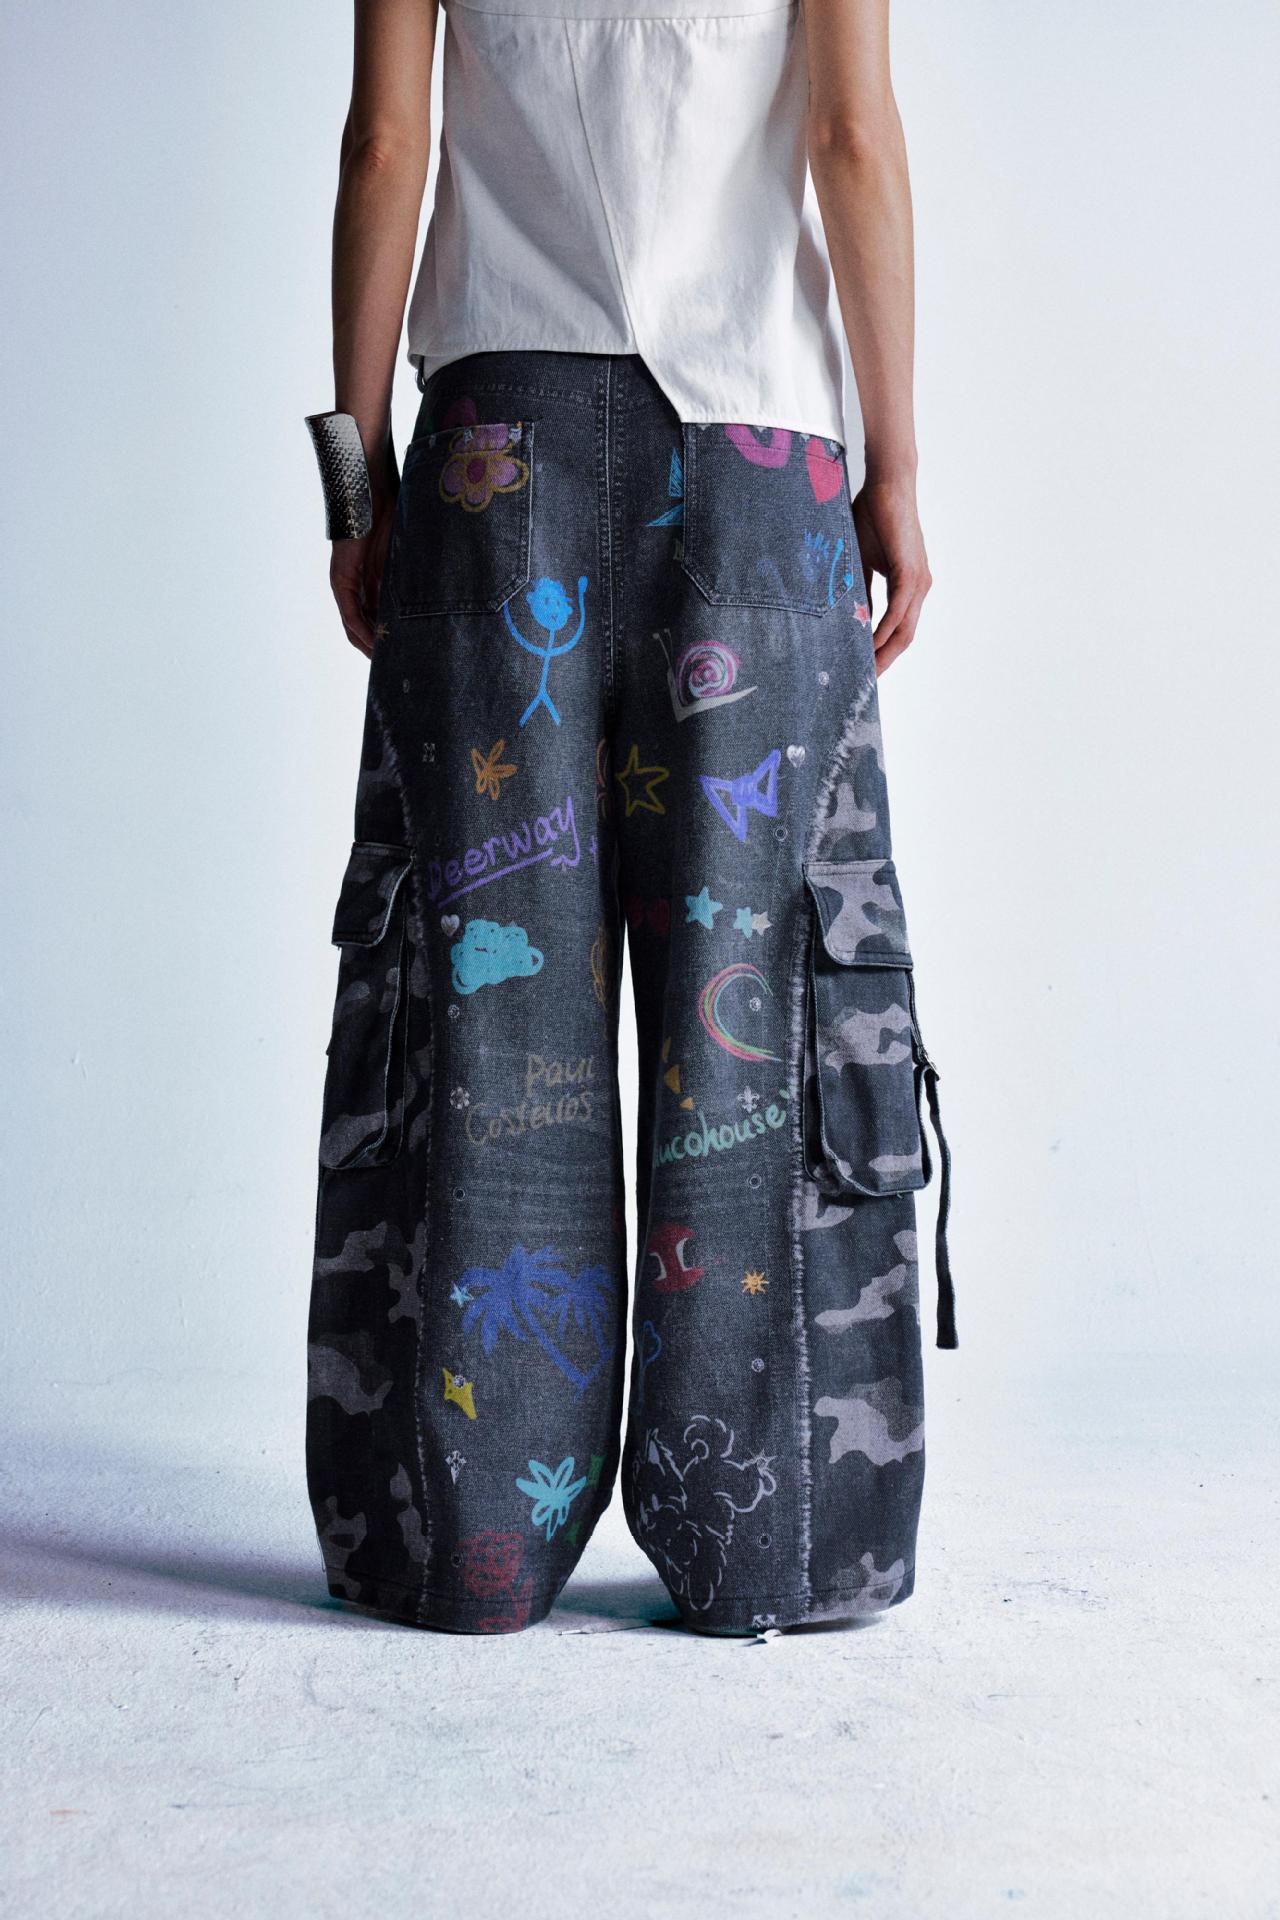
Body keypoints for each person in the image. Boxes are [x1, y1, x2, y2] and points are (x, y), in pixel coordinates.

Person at [303, 0, 955, 1638]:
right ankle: (773, 1545)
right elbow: (850, 139)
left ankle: (461, 1540)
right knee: (760, 1001)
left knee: (488, 1004)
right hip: (755, 458)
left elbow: (386, 145)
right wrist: (894, 469)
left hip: (493, 457)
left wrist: (359, 481)